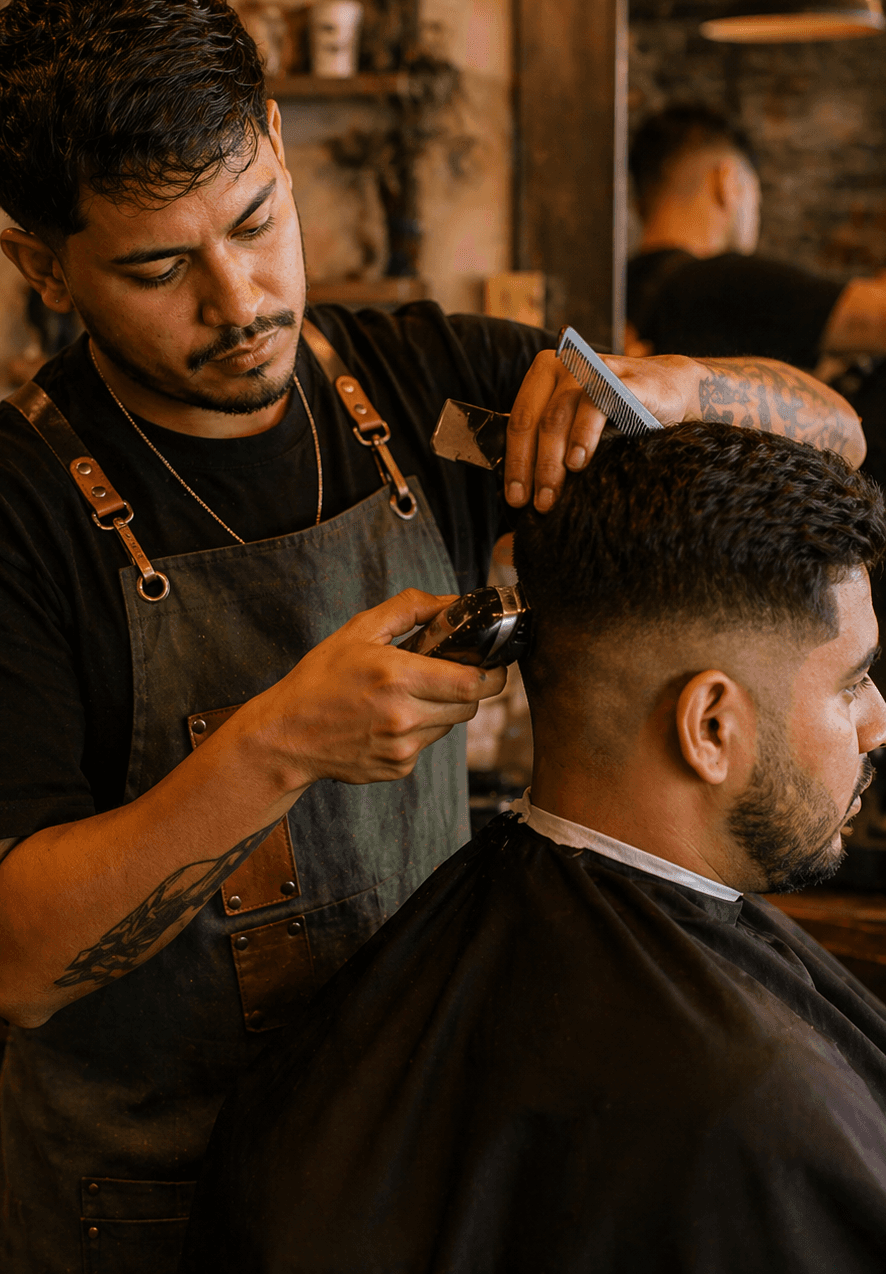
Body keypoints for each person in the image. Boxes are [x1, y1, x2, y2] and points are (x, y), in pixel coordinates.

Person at [0, 0, 864, 1274]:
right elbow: (9, 959)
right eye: (159, 267)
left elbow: (833, 440)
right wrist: (277, 745)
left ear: (278, 143)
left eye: (256, 220)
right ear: (41, 266)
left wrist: (673, 386)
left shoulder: (423, 394)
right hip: (136, 1217)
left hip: (392, 1170)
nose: (239, 300)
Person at [183, 421, 886, 1274]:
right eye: (853, 682)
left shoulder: (397, 999)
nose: (878, 723)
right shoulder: (751, 1107)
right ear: (710, 727)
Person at [626, 103, 886, 367]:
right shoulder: (732, 283)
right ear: (727, 182)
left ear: (638, 204)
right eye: (756, 196)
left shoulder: (619, 296)